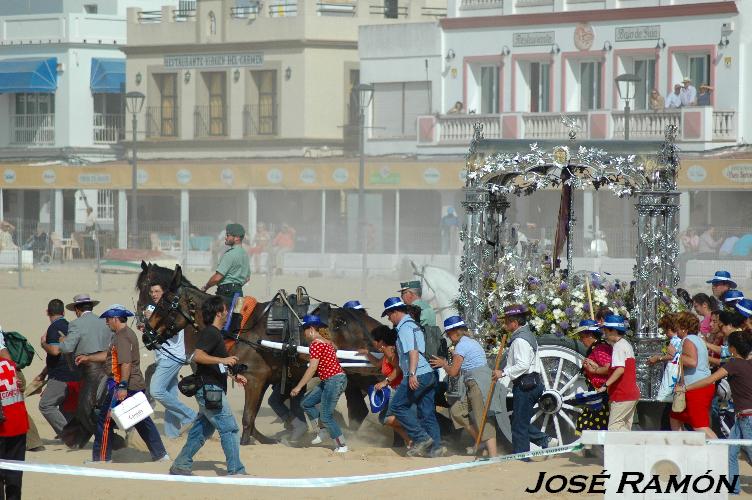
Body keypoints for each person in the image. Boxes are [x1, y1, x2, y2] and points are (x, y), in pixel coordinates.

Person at [77, 305, 168, 463]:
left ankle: (102, 458)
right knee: (141, 419)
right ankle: (161, 454)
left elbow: (125, 363)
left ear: (115, 319)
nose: (106, 323)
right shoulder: (124, 334)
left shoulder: (122, 336)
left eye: (108, 320)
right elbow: (110, 355)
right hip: (133, 384)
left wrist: (122, 386)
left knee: (104, 421)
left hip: (123, 384)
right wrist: (88, 357)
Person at [171, 296, 247, 476]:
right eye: (225, 310)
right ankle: (236, 470)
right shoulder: (211, 333)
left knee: (200, 431)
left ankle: (181, 465)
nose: (228, 313)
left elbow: (212, 365)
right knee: (230, 428)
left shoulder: (215, 334)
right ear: (218, 313)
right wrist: (224, 359)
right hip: (210, 391)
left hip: (210, 388)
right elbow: (197, 356)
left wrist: (233, 375)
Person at [678, 330, 752, 495]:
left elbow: (709, 380)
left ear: (733, 348)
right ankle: (733, 490)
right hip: (742, 417)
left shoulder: (733, 363)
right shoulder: (747, 363)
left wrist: (686, 387)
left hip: (746, 417)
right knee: (729, 453)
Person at [431, 316, 501, 457]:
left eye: (449, 333)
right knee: (457, 412)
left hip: (478, 382)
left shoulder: (462, 346)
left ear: (455, 332)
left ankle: (493, 456)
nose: (449, 337)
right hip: (474, 382)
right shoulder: (468, 342)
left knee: (483, 418)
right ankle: (481, 443)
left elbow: (453, 372)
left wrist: (443, 363)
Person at [382, 297, 443, 458]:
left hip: (418, 374)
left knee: (397, 407)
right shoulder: (414, 325)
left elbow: (413, 352)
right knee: (427, 413)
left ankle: (422, 439)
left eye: (389, 315)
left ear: (395, 312)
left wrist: (412, 374)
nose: (389, 318)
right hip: (428, 373)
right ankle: (436, 448)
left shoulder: (404, 328)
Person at [493, 304, 557, 453]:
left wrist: (502, 372)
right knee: (518, 422)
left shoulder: (520, 340)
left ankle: (523, 456)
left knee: (519, 425)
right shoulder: (526, 336)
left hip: (525, 384)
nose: (505, 324)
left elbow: (523, 364)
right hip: (530, 383)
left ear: (514, 323)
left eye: (507, 321)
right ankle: (543, 440)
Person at [58, 294, 113, 449]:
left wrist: (62, 342)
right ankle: (79, 441)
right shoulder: (104, 322)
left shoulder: (76, 324)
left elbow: (68, 347)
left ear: (77, 309)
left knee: (85, 410)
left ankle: (112, 443)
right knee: (94, 408)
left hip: (90, 371)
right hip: (107, 368)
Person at [145, 283, 197, 439]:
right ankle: (172, 434)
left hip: (171, 357)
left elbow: (170, 330)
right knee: (170, 396)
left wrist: (152, 322)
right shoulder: (155, 310)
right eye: (152, 292)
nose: (154, 294)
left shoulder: (169, 310)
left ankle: (190, 415)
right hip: (163, 356)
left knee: (156, 390)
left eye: (157, 291)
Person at [291, 315, 349, 453]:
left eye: (304, 330)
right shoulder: (325, 342)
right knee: (306, 403)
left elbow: (312, 368)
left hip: (333, 381)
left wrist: (298, 387)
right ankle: (322, 431)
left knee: (326, 416)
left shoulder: (316, 344)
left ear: (311, 329)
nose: (303, 334)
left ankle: (342, 445)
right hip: (332, 380)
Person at [358, 325, 410, 447]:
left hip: (398, 389)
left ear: (381, 341)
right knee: (385, 418)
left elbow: (399, 369)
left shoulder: (390, 351)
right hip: (395, 389)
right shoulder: (386, 352)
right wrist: (367, 353)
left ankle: (412, 431)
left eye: (374, 341)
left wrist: (385, 381)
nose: (373, 343)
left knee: (386, 418)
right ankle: (410, 439)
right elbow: (377, 363)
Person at [36, 299, 79, 440]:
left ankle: (70, 435)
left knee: (46, 405)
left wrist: (43, 344)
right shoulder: (70, 325)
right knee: (66, 407)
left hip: (61, 376)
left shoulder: (54, 328)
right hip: (75, 374)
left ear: (47, 312)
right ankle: (71, 433)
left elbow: (54, 352)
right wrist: (43, 374)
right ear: (63, 312)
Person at [669, 311, 716, 439]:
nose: (676, 330)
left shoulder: (688, 340)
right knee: (675, 418)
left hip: (697, 387)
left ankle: (722, 453)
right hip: (697, 386)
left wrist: (675, 354)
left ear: (684, 328)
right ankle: (683, 448)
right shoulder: (697, 339)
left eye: (677, 327)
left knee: (700, 426)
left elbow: (692, 361)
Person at [597, 315, 640, 431]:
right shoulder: (625, 344)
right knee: (624, 428)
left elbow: (620, 369)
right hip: (631, 394)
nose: (604, 333)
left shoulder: (618, 346)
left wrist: (605, 385)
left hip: (623, 394)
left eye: (606, 330)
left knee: (614, 428)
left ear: (613, 330)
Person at [0, 335, 28, 500]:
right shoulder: (11, 365)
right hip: (19, 425)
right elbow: (21, 387)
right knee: (15, 473)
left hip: (3, 429)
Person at [576, 320, 612, 435]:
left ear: (589, 335)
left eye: (582, 337)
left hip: (602, 393)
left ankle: (597, 450)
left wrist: (594, 369)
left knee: (596, 425)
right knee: (588, 423)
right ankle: (592, 450)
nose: (581, 340)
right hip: (596, 392)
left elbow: (609, 368)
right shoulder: (596, 348)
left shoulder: (600, 348)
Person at [201, 223, 250, 305]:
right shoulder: (244, 254)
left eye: (228, 235)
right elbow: (247, 278)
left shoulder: (230, 254)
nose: (225, 237)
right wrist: (236, 285)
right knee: (235, 317)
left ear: (237, 238)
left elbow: (217, 278)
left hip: (226, 294)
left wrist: (206, 287)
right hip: (239, 293)